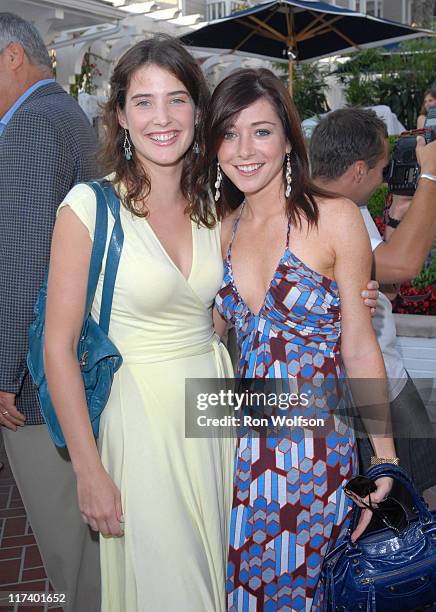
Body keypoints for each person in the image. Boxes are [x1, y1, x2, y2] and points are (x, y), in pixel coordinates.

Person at [44, 36, 235, 612]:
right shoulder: (88, 207)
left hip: (214, 408)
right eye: (144, 102)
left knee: (220, 574)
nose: (162, 117)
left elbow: (224, 318)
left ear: (198, 113)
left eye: (177, 100)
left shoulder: (217, 205)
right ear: (121, 116)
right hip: (142, 419)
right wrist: (89, 471)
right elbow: (58, 345)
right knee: (175, 590)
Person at [207, 68, 396, 611]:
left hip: (314, 457)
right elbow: (210, 342)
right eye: (229, 132)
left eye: (262, 131)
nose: (245, 149)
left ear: (289, 139)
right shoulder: (220, 228)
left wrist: (385, 464)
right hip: (236, 451)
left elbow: (360, 349)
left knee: (309, 595)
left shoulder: (336, 219)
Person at [0, 13, 100, 610]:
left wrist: (6, 370)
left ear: (12, 56)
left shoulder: (31, 125)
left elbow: (27, 258)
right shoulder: (62, 114)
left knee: (68, 545)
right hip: (60, 359)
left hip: (37, 376)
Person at [310, 108, 436, 502]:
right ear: (359, 170)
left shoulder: (348, 204)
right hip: (364, 387)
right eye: (383, 170)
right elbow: (403, 264)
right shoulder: (325, 210)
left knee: (420, 494)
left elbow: (386, 280)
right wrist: (431, 177)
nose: (385, 178)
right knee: (397, 505)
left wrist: (397, 215)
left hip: (388, 372)